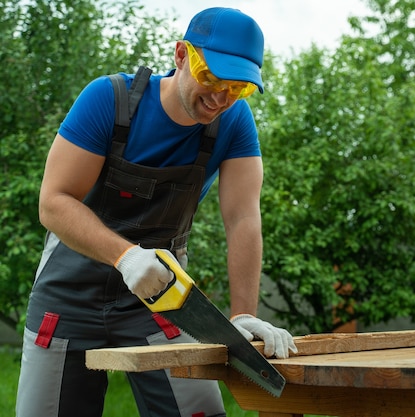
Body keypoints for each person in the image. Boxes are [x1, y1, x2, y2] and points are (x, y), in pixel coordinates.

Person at [16, 7, 297, 417]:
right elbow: (53, 202)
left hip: (162, 299)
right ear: (181, 54)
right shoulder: (108, 100)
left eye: (237, 88)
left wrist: (244, 314)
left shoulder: (234, 123)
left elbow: (242, 220)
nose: (221, 97)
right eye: (211, 78)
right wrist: (125, 256)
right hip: (67, 297)